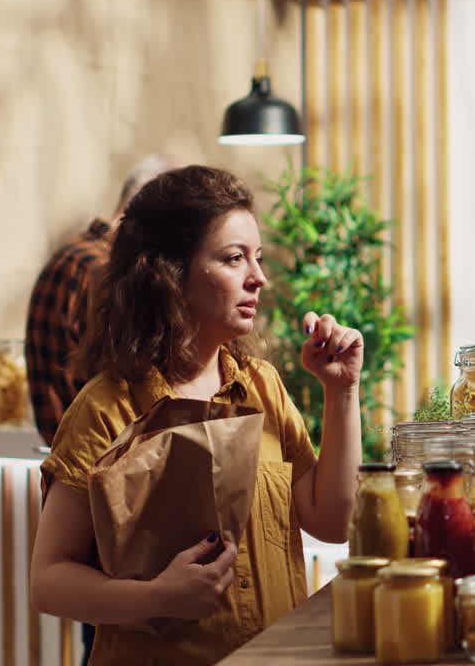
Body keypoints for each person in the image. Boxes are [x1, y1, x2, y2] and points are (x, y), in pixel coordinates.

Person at [29, 165, 362, 666]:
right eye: (234, 258)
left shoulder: (263, 386)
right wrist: (157, 597)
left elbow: (333, 522)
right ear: (169, 274)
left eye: (257, 257)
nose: (259, 277)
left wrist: (342, 391)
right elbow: (49, 580)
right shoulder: (106, 407)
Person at [25, 154, 184, 447]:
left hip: (77, 450)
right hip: (101, 454)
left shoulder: (75, 255)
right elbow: (121, 381)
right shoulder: (105, 270)